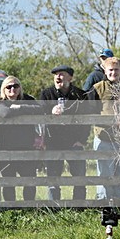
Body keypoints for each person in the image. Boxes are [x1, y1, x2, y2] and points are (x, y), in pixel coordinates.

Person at [40, 65, 90, 201]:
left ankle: (79, 207)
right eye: (55, 74)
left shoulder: (80, 95)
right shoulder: (47, 94)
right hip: (53, 142)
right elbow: (40, 113)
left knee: (79, 177)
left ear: (70, 78)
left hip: (74, 141)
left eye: (61, 74)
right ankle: (54, 208)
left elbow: (87, 120)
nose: (57, 77)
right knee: (53, 178)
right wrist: (50, 111)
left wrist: (82, 140)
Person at [0, 76, 42, 202]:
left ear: (20, 87)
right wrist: (25, 110)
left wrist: (19, 107)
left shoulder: (28, 99)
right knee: (8, 182)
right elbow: (4, 113)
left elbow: (40, 109)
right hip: (6, 148)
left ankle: (29, 207)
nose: (12, 89)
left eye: (15, 86)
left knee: (30, 181)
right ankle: (11, 208)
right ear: (3, 89)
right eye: (8, 87)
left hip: (27, 147)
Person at [86, 57, 120, 202]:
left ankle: (118, 202)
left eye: (116, 70)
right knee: (104, 173)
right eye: (110, 70)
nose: (113, 73)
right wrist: (108, 122)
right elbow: (90, 112)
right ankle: (104, 204)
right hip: (103, 136)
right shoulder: (97, 88)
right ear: (105, 71)